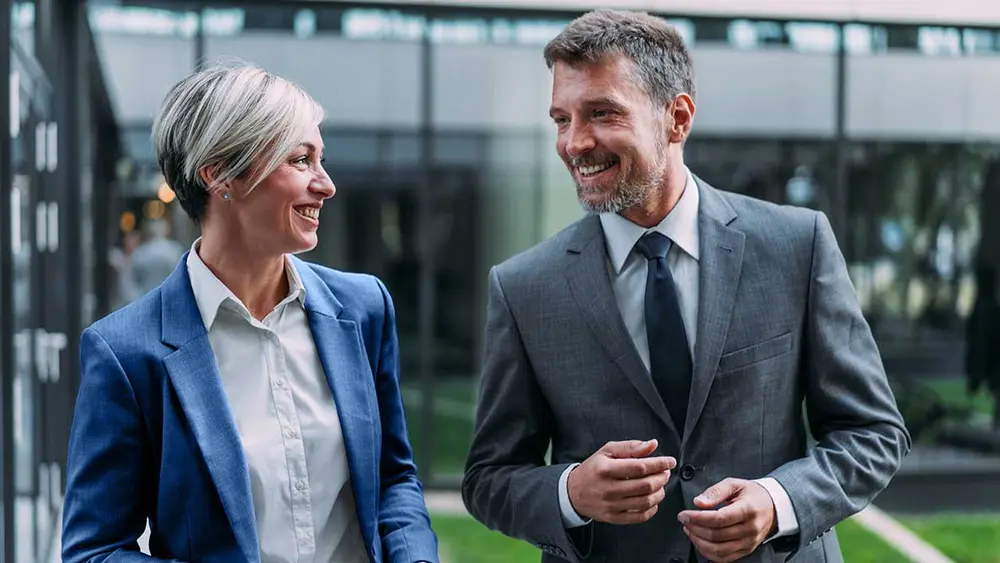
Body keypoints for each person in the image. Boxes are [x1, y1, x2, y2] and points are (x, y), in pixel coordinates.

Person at [462, 10, 909, 563]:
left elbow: (873, 434)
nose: (575, 142)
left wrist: (777, 502)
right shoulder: (523, 287)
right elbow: (488, 478)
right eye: (561, 119)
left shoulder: (797, 245)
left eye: (601, 113)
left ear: (677, 118)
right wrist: (570, 493)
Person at [62, 64, 439, 563]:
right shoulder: (126, 352)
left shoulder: (365, 308)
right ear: (219, 173)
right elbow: (96, 551)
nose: (325, 185)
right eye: (300, 160)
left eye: (319, 159)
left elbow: (393, 478)